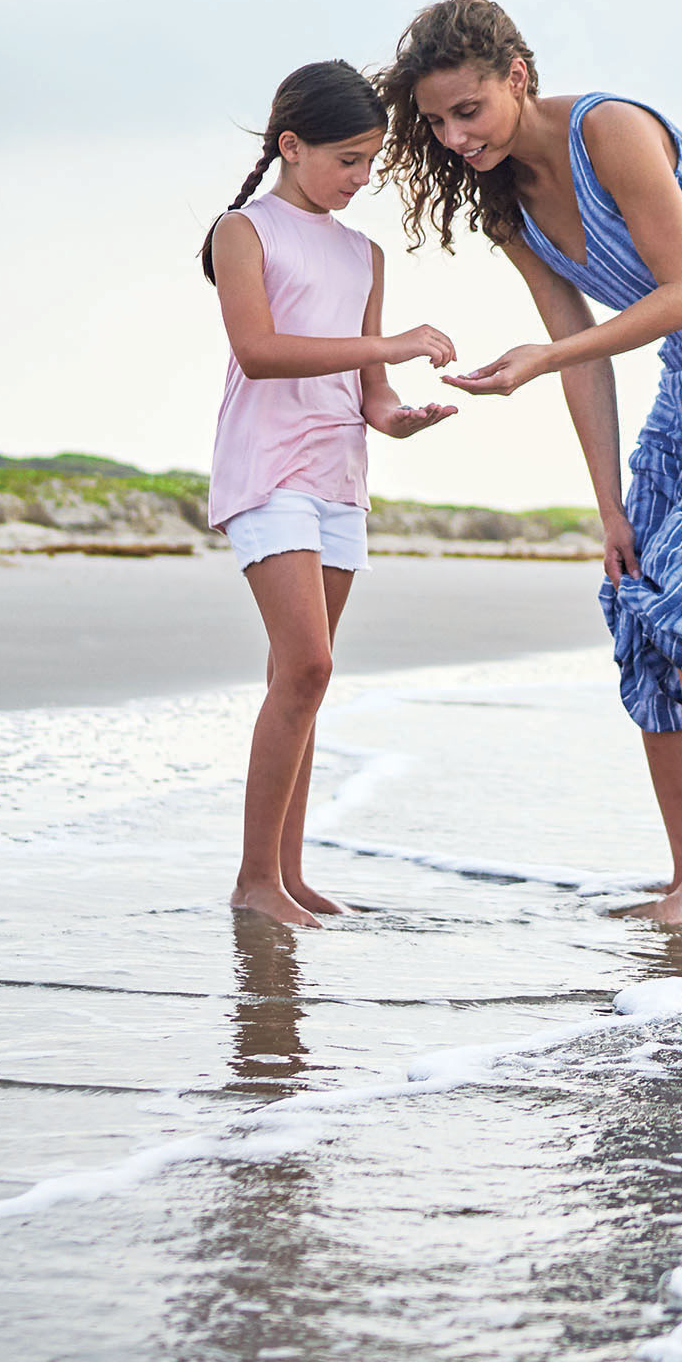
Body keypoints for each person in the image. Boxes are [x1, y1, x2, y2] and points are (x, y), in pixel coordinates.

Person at [381, 0, 682, 926]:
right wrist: (610, 510)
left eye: (468, 111)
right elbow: (578, 356)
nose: (455, 137)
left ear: (518, 76)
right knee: (635, 596)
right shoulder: (505, 202)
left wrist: (549, 355)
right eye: (435, 122)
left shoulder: (612, 131)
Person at [199, 60, 461, 926]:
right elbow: (261, 351)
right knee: (308, 665)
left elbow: (369, 399)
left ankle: (289, 873)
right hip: (266, 468)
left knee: (298, 680)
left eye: (370, 163)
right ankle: (253, 881)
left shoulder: (365, 255)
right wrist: (385, 347)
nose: (360, 179)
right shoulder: (245, 231)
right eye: (347, 160)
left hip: (338, 479)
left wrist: (397, 416)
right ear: (291, 145)